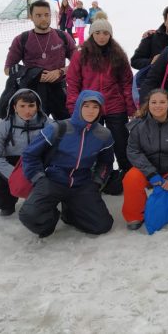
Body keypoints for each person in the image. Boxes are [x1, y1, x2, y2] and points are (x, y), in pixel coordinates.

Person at [18, 90, 115, 238]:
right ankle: (51, 217)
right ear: (78, 106)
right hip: (52, 180)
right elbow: (30, 154)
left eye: (95, 107)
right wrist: (39, 178)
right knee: (30, 215)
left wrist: (96, 182)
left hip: (82, 183)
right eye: (86, 106)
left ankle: (70, 212)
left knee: (102, 225)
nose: (90, 111)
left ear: (100, 109)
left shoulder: (104, 134)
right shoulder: (58, 128)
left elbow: (106, 163)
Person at [65, 19, 134, 184]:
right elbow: (73, 83)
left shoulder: (118, 55)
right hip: (89, 107)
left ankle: (127, 172)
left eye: (105, 33)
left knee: (120, 141)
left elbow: (126, 82)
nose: (101, 36)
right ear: (91, 34)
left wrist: (130, 107)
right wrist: (75, 107)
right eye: (97, 33)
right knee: (90, 141)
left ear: (110, 35)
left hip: (115, 105)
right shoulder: (80, 55)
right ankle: (92, 172)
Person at [122, 89, 168, 230]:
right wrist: (151, 173)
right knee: (130, 179)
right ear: (148, 104)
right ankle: (135, 215)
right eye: (153, 102)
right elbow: (133, 151)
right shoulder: (139, 126)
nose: (158, 106)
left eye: (162, 102)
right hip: (147, 169)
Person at [0, 89, 47, 216]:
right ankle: (7, 203)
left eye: (31, 105)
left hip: (39, 166)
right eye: (22, 106)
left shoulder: (50, 125)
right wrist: (14, 175)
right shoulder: (2, 127)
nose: (27, 111)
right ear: (14, 107)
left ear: (38, 106)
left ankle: (44, 201)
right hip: (11, 165)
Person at [4, 0, 76, 120]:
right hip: (33, 92)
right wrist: (34, 74)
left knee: (67, 128)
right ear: (31, 17)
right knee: (36, 131)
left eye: (46, 15)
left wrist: (60, 71)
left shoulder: (63, 36)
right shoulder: (22, 39)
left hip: (59, 89)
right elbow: (7, 69)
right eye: (38, 15)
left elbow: (78, 63)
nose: (43, 19)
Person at [130, 3, 168, 70]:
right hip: (154, 79)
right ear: (165, 22)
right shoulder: (150, 37)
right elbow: (134, 61)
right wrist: (151, 61)